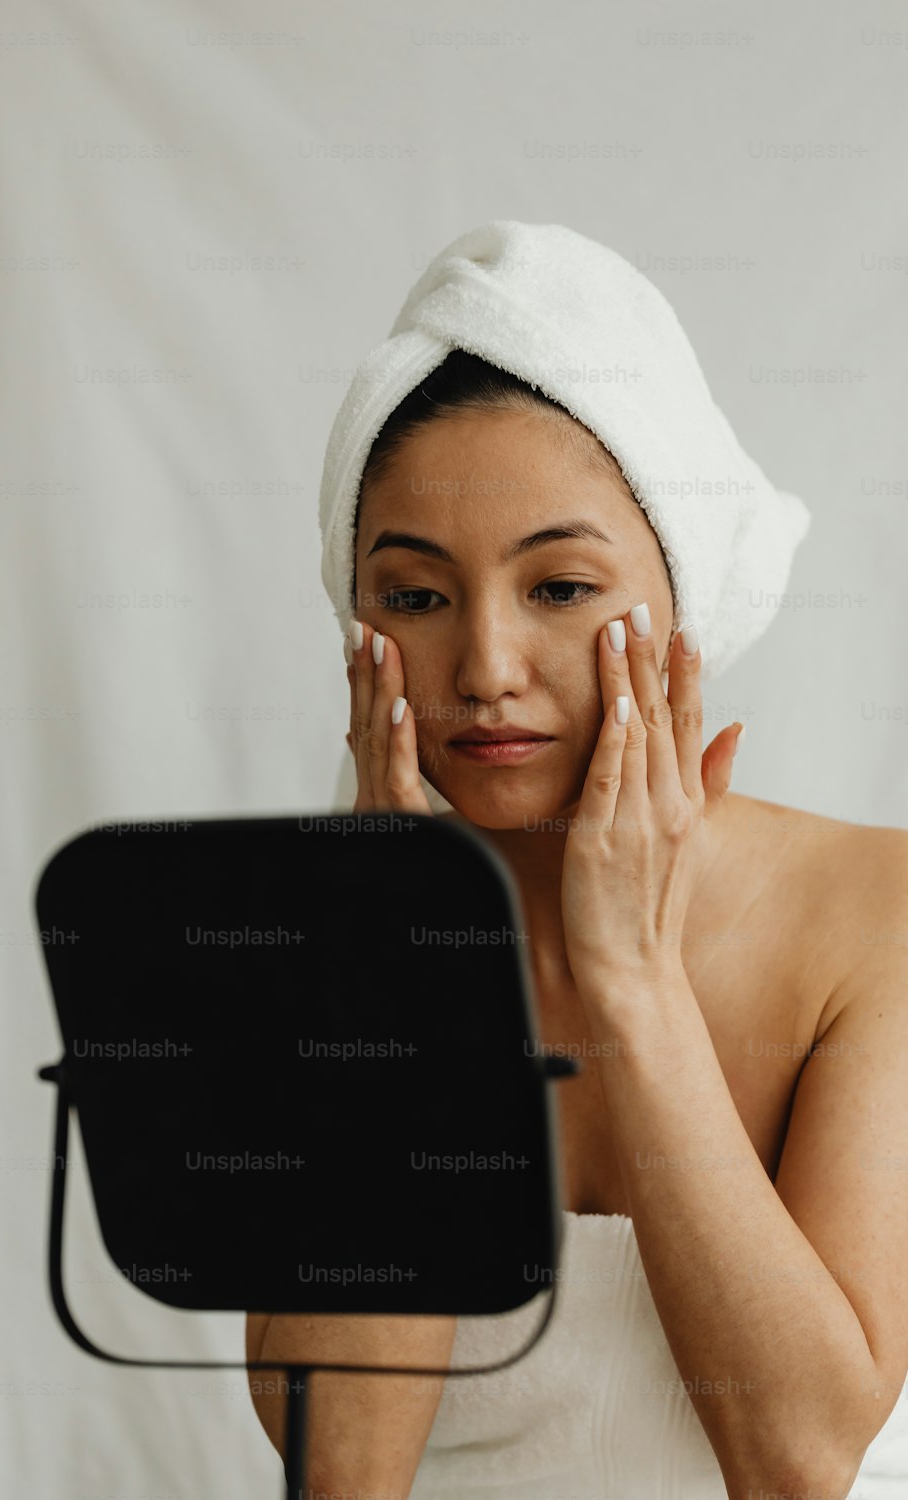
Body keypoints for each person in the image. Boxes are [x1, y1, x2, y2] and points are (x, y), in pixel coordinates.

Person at [248, 239, 908, 1499]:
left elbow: (800, 1462)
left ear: (682, 606)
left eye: (557, 585)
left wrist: (631, 973)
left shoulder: (877, 914)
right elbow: (341, 1472)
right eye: (416, 595)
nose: (487, 665)